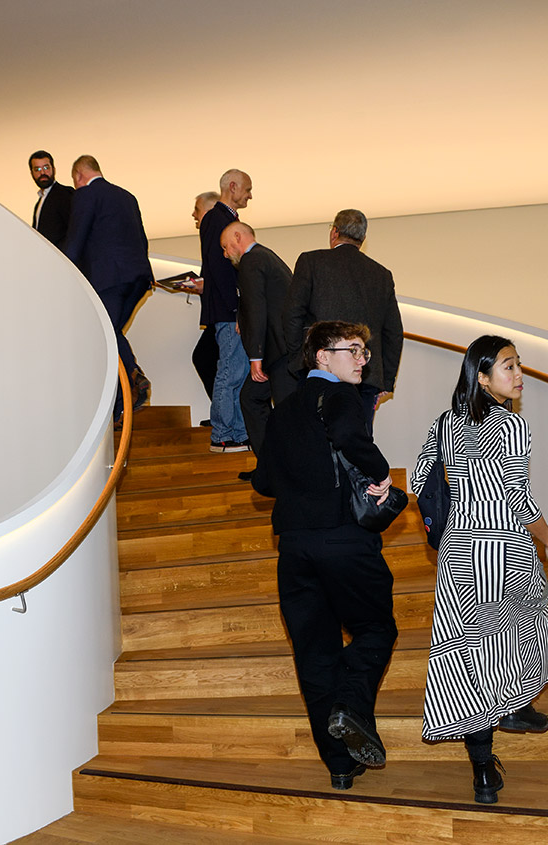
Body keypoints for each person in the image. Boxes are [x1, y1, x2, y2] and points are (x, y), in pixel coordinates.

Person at [409, 334, 548, 805]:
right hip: (507, 550)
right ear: (481, 377)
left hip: (458, 555)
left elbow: (420, 479)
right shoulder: (511, 426)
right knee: (517, 635)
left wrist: (458, 504)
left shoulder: (446, 423)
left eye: (519, 364)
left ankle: (484, 772)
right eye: (507, 367)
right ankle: (514, 706)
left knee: (465, 660)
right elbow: (517, 499)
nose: (518, 374)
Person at [252, 320, 398, 791]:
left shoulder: (282, 410)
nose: (361, 359)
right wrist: (380, 471)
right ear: (321, 357)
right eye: (352, 350)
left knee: (315, 654)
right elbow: (353, 442)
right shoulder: (340, 398)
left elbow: (265, 482)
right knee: (377, 629)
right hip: (342, 540)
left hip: (294, 547)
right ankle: (350, 707)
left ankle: (339, 764)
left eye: (364, 352)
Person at [284, 209, 402, 430]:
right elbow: (393, 332)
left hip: (319, 370)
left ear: (334, 232)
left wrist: (299, 359)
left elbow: (292, 314)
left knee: (315, 438)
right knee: (359, 441)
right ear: (363, 239)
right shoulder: (381, 274)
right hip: (364, 373)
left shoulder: (311, 261)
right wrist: (385, 379)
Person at [63, 155, 153, 421]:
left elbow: (75, 240)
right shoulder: (127, 197)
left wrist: (65, 272)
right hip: (137, 277)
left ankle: (135, 379)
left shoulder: (85, 195)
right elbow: (142, 240)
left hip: (108, 277)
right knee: (110, 335)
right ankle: (117, 407)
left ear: (79, 176)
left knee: (105, 334)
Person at [221, 220, 296, 477]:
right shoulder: (266, 256)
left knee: (286, 413)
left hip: (279, 354)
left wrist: (256, 357)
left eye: (226, 246)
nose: (225, 253)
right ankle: (272, 469)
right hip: (286, 351)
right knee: (252, 399)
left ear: (238, 237)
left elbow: (257, 310)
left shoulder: (251, 261)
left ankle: (281, 472)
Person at [199, 169, 253, 452]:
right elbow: (220, 269)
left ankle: (239, 433)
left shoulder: (225, 219)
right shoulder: (216, 218)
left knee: (239, 373)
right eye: (247, 189)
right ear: (232, 186)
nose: (250, 195)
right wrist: (236, 310)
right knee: (230, 373)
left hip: (230, 311)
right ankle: (222, 435)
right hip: (227, 312)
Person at [190, 191, 221, 413]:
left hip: (224, 317)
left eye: (197, 209)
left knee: (204, 357)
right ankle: (222, 414)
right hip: (219, 316)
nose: (193, 214)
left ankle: (223, 415)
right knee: (207, 359)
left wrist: (205, 287)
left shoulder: (219, 237)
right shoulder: (213, 237)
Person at [28, 150, 73, 248]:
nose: (43, 173)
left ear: (54, 169)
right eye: (37, 169)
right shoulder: (40, 202)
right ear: (32, 173)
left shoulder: (65, 194)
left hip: (61, 259)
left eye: (46, 168)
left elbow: (74, 231)